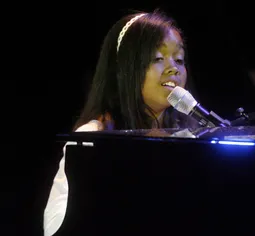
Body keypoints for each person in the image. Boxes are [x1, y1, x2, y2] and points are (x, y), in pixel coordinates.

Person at [43, 9, 200, 236]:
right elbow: (56, 223)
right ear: (125, 70)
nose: (173, 68)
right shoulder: (93, 136)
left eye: (179, 59)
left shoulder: (191, 138)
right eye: (157, 58)